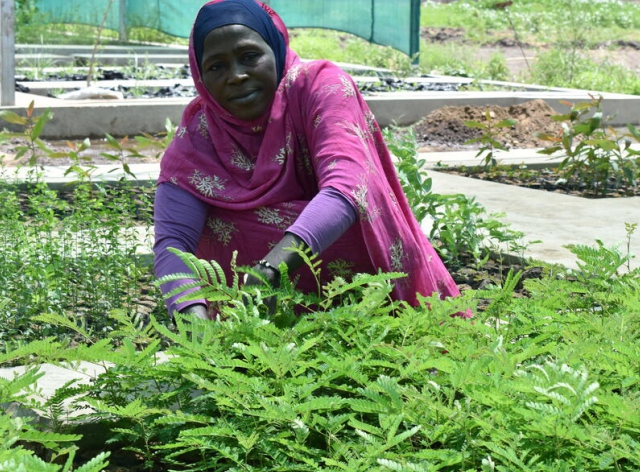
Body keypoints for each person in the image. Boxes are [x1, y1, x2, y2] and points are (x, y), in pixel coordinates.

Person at [153, 0, 461, 319]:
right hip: (252, 325)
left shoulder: (318, 87)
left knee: (354, 205)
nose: (237, 76)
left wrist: (272, 268)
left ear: (275, 48)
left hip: (367, 309)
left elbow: (347, 185)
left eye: (249, 56)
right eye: (217, 66)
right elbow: (173, 242)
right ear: (200, 76)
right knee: (213, 218)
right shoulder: (200, 134)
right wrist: (193, 321)